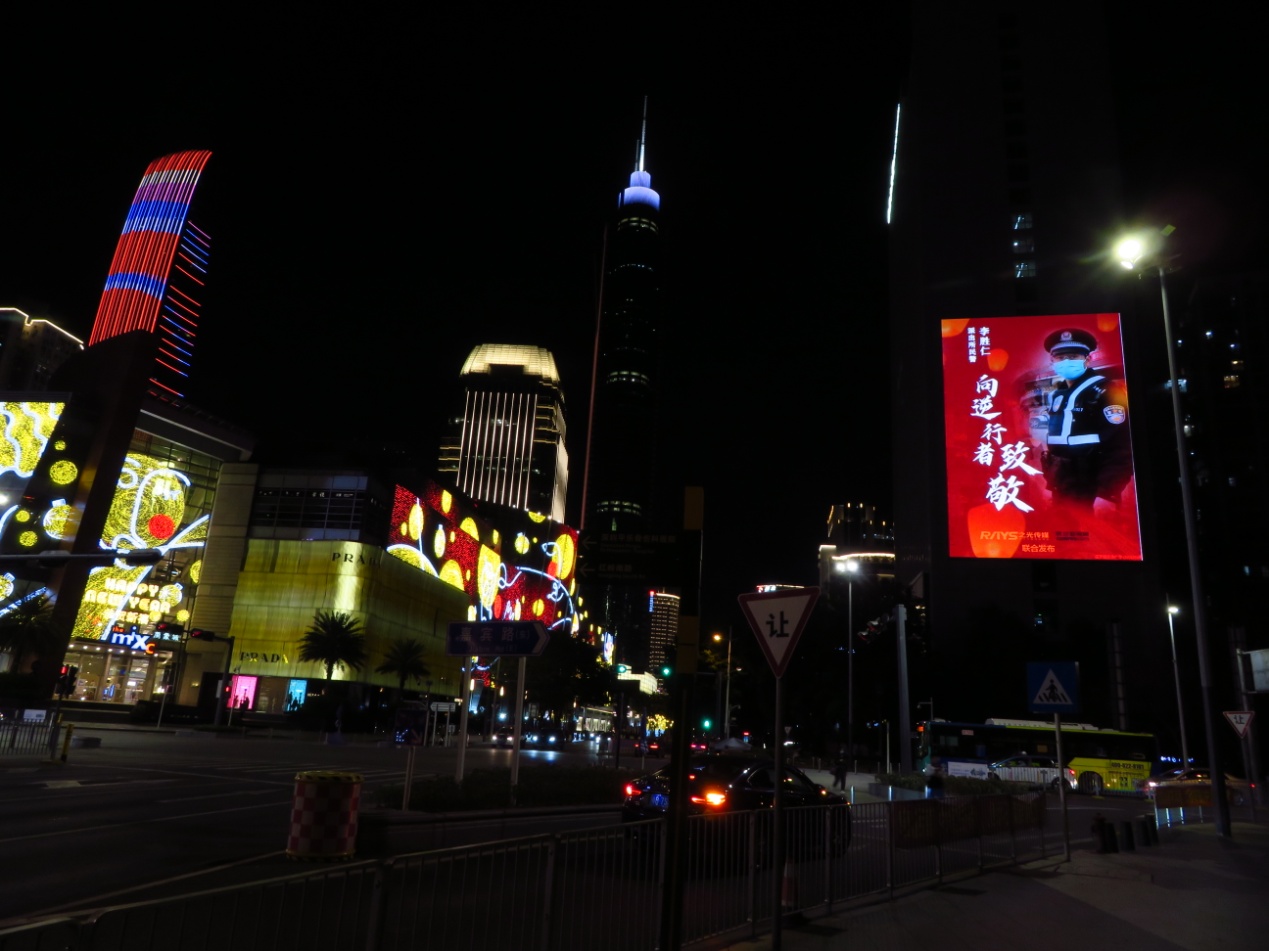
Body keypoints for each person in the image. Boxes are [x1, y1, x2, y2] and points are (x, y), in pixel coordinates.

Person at [1040, 328, 1133, 510]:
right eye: (1060, 357)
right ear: (1052, 361)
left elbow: (1121, 448)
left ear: (1087, 359)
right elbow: (1057, 447)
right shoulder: (1058, 395)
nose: (1066, 362)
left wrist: (1107, 493)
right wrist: (1052, 483)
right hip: (1062, 487)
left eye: (1073, 356)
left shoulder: (1107, 391)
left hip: (1093, 491)